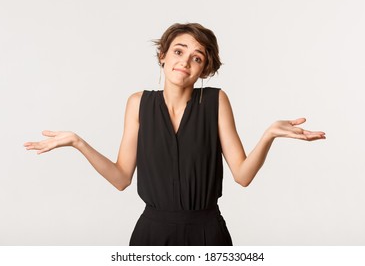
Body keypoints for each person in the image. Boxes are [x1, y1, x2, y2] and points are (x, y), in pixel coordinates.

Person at [24, 23, 326, 246]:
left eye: (197, 57)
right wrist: (78, 142)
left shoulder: (216, 102)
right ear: (163, 57)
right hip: (152, 235)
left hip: (208, 234)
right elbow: (121, 178)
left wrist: (269, 135)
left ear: (204, 69)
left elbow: (243, 175)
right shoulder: (138, 103)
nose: (185, 61)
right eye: (179, 51)